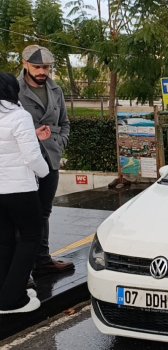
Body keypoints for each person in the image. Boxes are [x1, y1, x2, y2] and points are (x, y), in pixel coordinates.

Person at [17, 45, 74, 275]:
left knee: (44, 211)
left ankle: (42, 260)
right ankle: (21, 265)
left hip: (50, 159)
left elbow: (65, 122)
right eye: (37, 67)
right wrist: (33, 134)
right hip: (22, 162)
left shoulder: (56, 89)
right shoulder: (12, 89)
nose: (42, 72)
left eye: (46, 68)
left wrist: (60, 143)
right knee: (22, 213)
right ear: (25, 64)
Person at [0, 72, 50, 314]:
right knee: (31, 237)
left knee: (5, 239)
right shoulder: (19, 116)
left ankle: (5, 290)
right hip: (20, 189)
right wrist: (45, 172)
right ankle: (12, 299)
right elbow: (32, 156)